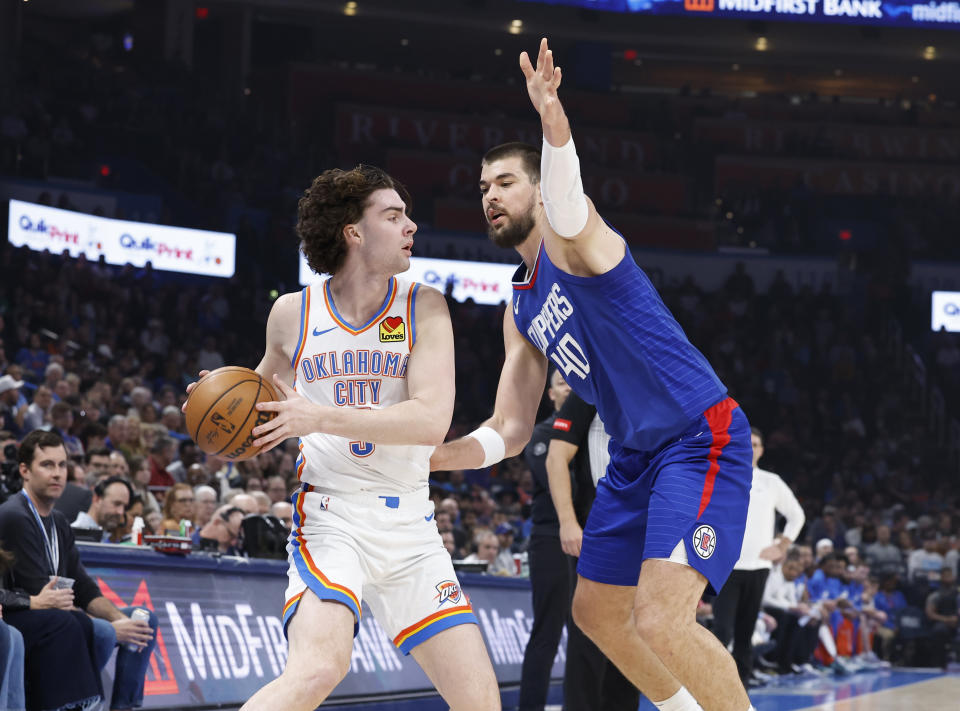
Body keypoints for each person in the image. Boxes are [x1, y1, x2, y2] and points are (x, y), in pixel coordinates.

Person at [429, 38, 753, 711]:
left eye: (505, 181)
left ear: (539, 190)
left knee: (662, 618)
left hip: (699, 435)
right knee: (598, 612)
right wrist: (431, 457)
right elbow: (512, 428)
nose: (490, 194)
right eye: (482, 187)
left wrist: (553, 120)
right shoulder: (518, 307)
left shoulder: (578, 242)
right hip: (636, 457)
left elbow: (570, 201)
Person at [191, 164, 499, 711]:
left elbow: (430, 421)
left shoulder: (423, 304)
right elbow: (262, 411)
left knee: (481, 703)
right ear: (354, 232)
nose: (412, 226)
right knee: (318, 670)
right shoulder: (292, 313)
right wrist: (218, 402)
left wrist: (322, 417)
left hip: (410, 527)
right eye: (394, 215)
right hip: (332, 518)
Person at [0, 429, 157, 711]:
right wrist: (112, 628)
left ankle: (124, 706)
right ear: (25, 470)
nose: (58, 473)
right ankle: (77, 704)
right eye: (47, 465)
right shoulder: (14, 515)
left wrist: (121, 620)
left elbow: (84, 587)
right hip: (24, 614)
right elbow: (42, 596)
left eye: (62, 465)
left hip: (55, 613)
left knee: (143, 622)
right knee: (96, 630)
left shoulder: (59, 521)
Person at [520, 369, 638, 711]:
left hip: (607, 530)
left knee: (620, 630)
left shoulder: (608, 415)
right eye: (561, 384)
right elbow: (559, 473)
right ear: (551, 394)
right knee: (557, 630)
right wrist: (571, 520)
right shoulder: (546, 432)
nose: (568, 388)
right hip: (555, 535)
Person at [712, 428, 805, 688]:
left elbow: (797, 515)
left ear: (762, 449)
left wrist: (783, 545)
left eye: (755, 444)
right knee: (722, 630)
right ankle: (713, 681)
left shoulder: (771, 481)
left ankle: (742, 679)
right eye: (746, 443)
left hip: (759, 567)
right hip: (726, 566)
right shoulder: (721, 476)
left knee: (746, 629)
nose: (751, 447)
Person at [72, 475, 134, 543]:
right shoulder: (73, 537)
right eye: (117, 504)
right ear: (97, 499)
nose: (121, 512)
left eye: (124, 507)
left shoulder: (106, 536)